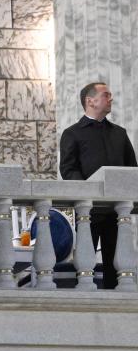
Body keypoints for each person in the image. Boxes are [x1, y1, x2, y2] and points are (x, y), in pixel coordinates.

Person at [59, 82, 137, 289]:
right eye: (106, 95)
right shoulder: (72, 133)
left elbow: (131, 168)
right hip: (88, 209)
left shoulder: (119, 133)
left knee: (117, 264)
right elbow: (68, 169)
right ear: (90, 101)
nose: (111, 99)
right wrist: (88, 190)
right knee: (85, 264)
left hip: (117, 210)